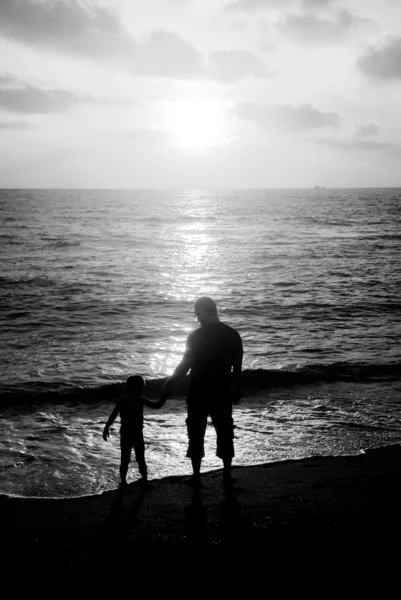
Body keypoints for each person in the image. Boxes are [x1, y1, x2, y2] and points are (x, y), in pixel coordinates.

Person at [160, 296, 243, 487]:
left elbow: (185, 365)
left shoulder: (196, 336)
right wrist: (237, 387)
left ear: (201, 312)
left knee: (196, 432)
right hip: (222, 390)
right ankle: (227, 473)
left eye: (196, 313)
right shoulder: (232, 334)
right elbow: (237, 366)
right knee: (225, 430)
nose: (196, 317)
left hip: (198, 390)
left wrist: (169, 382)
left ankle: (196, 475)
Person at [103, 375, 165, 488]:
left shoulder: (122, 400)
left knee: (124, 459)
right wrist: (164, 397)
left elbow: (113, 415)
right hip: (137, 433)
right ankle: (144, 479)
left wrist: (106, 427)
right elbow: (156, 406)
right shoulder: (141, 399)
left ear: (127, 387)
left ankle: (123, 481)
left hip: (125, 433)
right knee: (140, 457)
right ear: (140, 387)